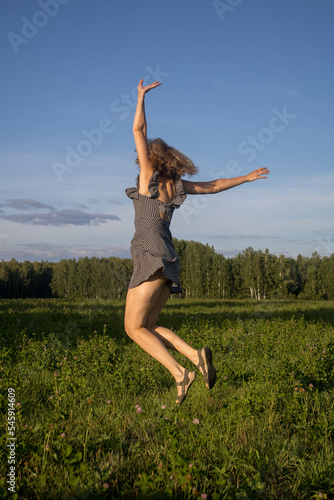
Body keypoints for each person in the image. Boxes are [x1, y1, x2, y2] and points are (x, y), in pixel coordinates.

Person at [124, 79, 270, 405]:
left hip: (150, 257)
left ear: (151, 159)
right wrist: (246, 177)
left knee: (132, 329)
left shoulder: (149, 179)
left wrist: (140, 97)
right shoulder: (178, 186)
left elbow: (138, 130)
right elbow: (214, 186)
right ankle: (195, 357)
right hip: (169, 260)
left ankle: (180, 373)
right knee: (148, 325)